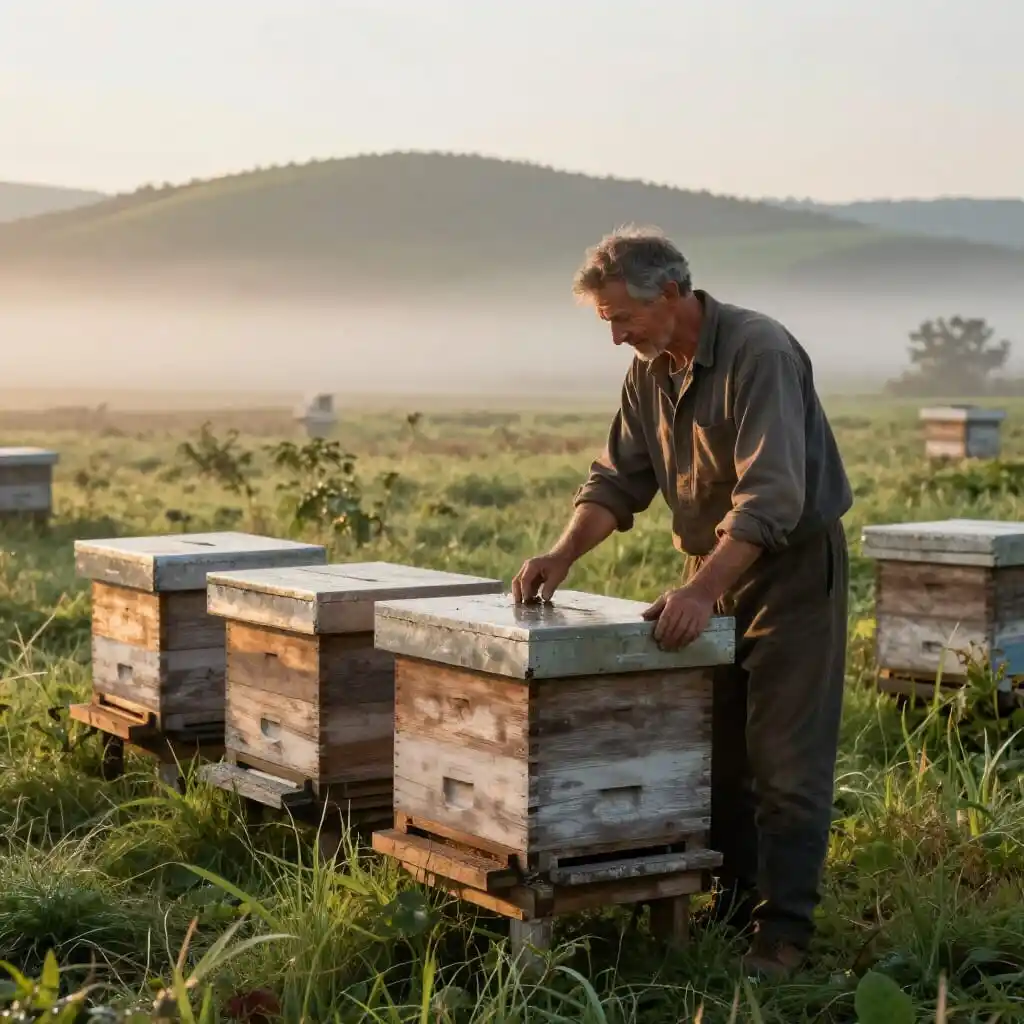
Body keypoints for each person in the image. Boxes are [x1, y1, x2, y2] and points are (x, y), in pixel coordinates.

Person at [511, 226, 853, 979]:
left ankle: (785, 935)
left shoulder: (759, 351)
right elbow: (617, 480)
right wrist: (561, 554)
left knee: (786, 764)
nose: (616, 337)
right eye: (607, 322)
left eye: (620, 318)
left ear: (670, 294)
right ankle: (732, 907)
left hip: (790, 570)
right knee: (716, 758)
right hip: (713, 569)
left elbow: (773, 496)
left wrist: (702, 590)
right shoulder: (648, 370)